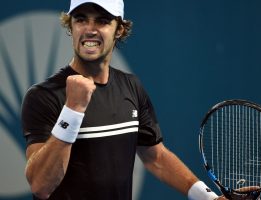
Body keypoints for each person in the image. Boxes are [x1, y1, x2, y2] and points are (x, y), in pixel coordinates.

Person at [21, 0, 226, 199]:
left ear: (119, 29)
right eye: (81, 19)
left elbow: (156, 157)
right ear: (71, 26)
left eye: (102, 21)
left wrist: (209, 198)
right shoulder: (43, 96)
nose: (90, 29)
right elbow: (41, 186)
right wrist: (72, 110)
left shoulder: (131, 86)